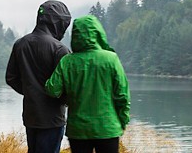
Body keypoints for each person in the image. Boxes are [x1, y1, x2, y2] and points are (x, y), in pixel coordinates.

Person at [44, 15, 130, 153]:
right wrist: (123, 121)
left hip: (78, 129)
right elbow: (122, 95)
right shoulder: (111, 59)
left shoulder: (67, 61)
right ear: (98, 32)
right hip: (108, 128)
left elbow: (52, 90)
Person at [6, 0, 74, 153]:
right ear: (58, 23)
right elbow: (67, 87)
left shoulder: (20, 44)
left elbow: (11, 78)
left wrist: (30, 91)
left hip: (31, 115)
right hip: (52, 118)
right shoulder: (60, 49)